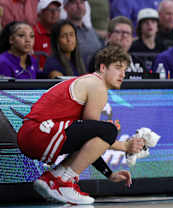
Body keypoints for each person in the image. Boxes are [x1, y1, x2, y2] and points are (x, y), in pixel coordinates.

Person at [16, 45, 144, 204]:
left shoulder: (89, 81)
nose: (122, 74)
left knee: (105, 130)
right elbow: (98, 135)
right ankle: (62, 183)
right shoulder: (97, 85)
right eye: (118, 68)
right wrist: (124, 146)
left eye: (124, 70)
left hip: (32, 134)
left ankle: (54, 178)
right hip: (38, 133)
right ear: (103, 68)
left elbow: (90, 142)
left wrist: (109, 173)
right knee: (109, 129)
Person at [64, 0, 103, 65]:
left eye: (82, 2)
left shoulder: (91, 30)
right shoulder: (62, 30)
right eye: (74, 2)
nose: (79, 6)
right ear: (65, 7)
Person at [33, 0, 61, 69]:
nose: (54, 13)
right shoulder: (32, 34)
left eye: (57, 10)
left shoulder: (62, 32)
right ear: (39, 14)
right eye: (50, 10)